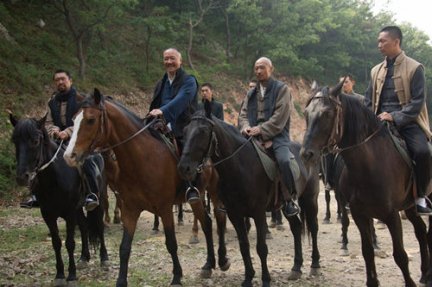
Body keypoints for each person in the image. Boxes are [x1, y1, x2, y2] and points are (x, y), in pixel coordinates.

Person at [364, 26, 432, 216]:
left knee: (422, 151)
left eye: (382, 41)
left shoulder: (415, 67)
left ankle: (421, 198)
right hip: (378, 122)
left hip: (408, 122)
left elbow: (417, 102)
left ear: (396, 42)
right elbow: (369, 101)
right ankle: (356, 194)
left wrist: (394, 116)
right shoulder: (375, 70)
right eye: (378, 41)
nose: (379, 45)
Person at [238, 57, 299, 217]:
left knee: (284, 160)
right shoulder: (251, 93)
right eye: (256, 68)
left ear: (271, 69)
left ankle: (289, 199)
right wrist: (245, 128)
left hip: (277, 136)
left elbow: (280, 117)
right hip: (252, 136)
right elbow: (243, 114)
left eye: (262, 68)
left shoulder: (282, 89)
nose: (258, 71)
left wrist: (260, 129)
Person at [148, 48, 200, 202]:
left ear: (180, 61)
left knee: (187, 148)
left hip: (184, 124)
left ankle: (191, 186)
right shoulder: (161, 83)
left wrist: (162, 112)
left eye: (172, 58)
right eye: (166, 59)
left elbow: (182, 100)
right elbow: (154, 105)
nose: (169, 62)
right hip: (161, 125)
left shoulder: (189, 81)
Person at [45, 69, 101, 211]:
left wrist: (68, 132)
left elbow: (82, 121)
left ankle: (92, 193)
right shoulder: (51, 102)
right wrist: (54, 130)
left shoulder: (81, 99)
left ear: (70, 80)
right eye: (57, 80)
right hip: (57, 141)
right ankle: (37, 194)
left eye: (63, 79)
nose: (60, 82)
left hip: (78, 139)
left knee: (87, 160)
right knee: (39, 157)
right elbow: (48, 122)